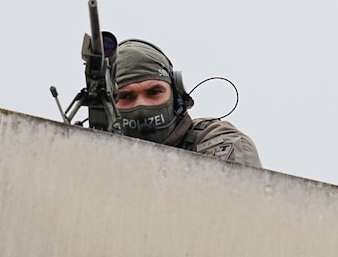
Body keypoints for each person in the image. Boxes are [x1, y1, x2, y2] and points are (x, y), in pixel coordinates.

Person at [109, 39, 261, 167]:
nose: (142, 105)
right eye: (126, 96)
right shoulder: (99, 150)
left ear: (176, 96)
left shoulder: (214, 139)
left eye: (154, 92)